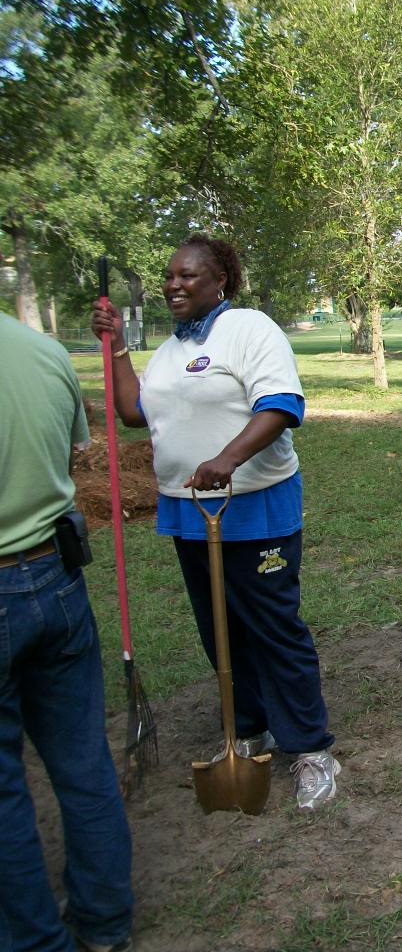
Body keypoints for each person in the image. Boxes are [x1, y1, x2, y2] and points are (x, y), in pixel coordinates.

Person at [91, 234, 339, 811]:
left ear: (219, 280)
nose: (174, 285)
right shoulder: (172, 350)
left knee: (273, 626)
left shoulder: (251, 330)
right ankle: (250, 725)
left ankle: (311, 749)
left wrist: (227, 458)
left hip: (254, 505)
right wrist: (121, 349)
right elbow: (134, 412)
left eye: (188, 276)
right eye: (170, 276)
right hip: (188, 510)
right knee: (219, 627)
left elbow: (280, 405)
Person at [0, 312, 134, 952]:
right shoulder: (44, 352)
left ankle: (32, 939)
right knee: (82, 759)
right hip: (55, 579)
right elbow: (73, 450)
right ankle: (105, 922)